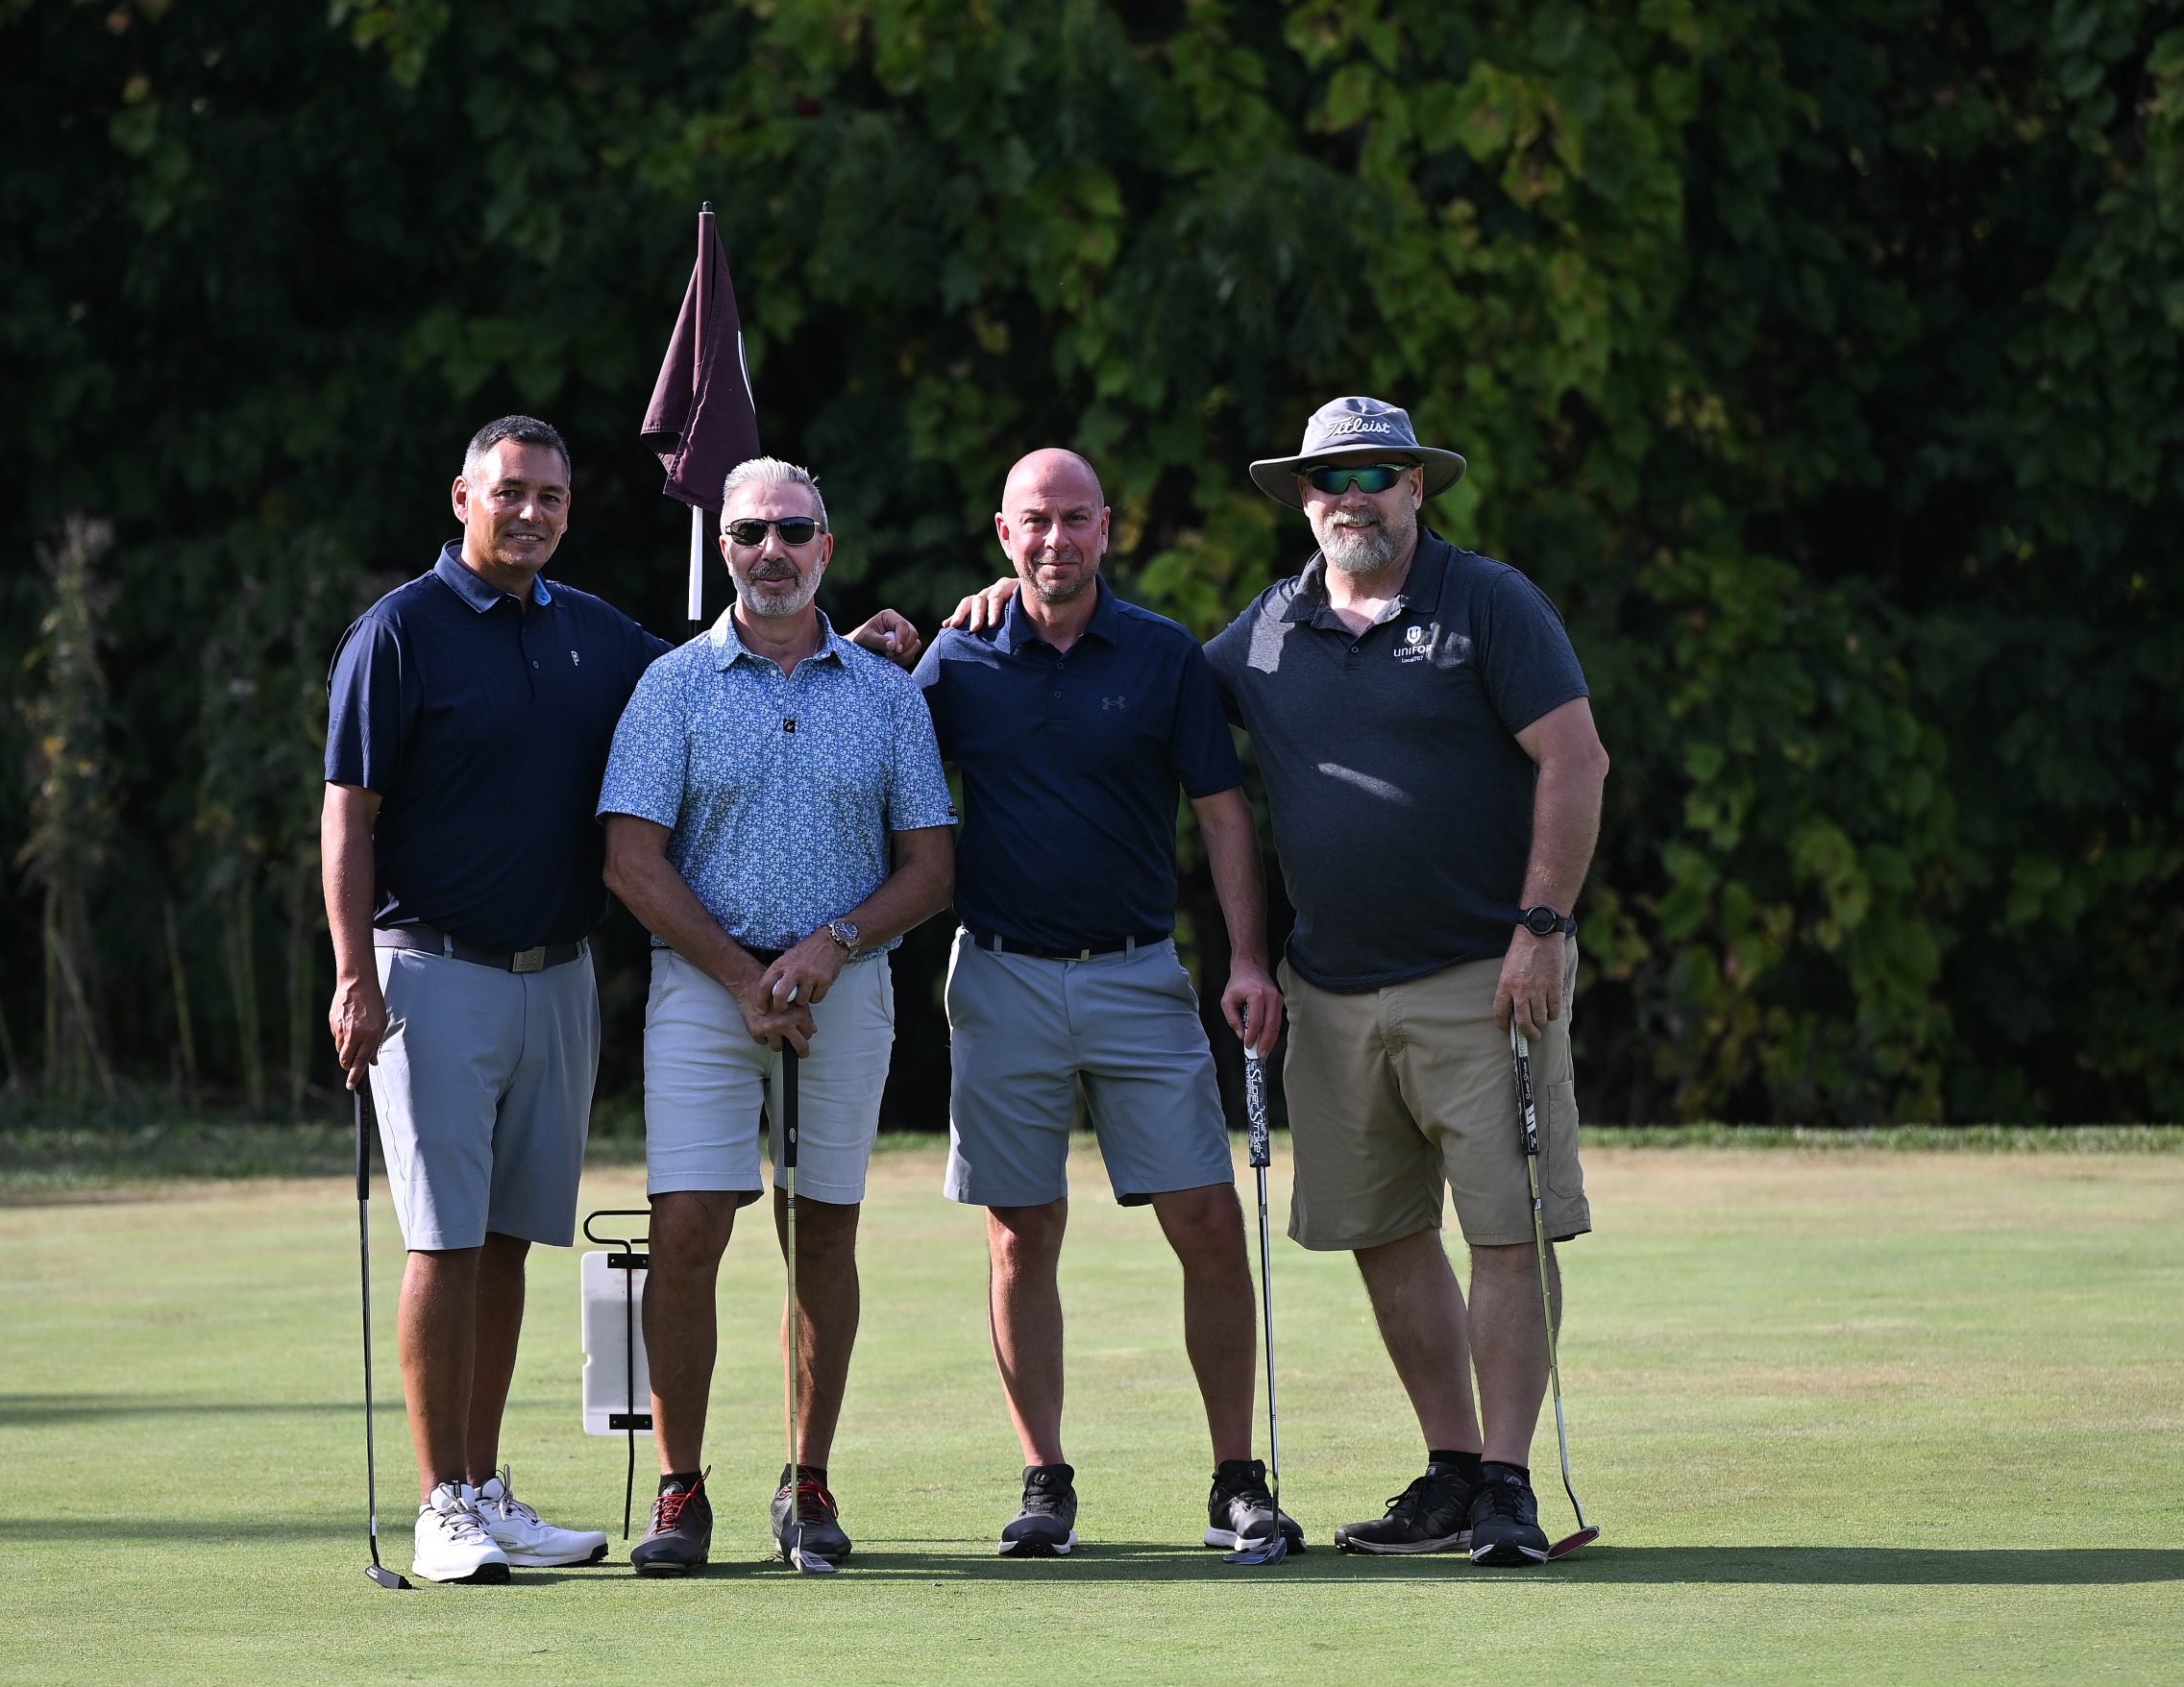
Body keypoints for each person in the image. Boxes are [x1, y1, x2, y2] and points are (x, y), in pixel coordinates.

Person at [948, 396, 1609, 1566]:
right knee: (1384, 1232)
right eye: (1328, 479)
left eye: (1375, 474)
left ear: (1415, 485)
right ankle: (1454, 1469)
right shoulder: (1261, 632)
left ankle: (1509, 1484)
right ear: (1301, 498)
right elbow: (1120, 674)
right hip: (1334, 988)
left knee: (1505, 1230)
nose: (1352, 496)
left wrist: (1544, 924)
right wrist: (990, 604)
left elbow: (1575, 756)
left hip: (1485, 972)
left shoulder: (1487, 601)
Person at [324, 418, 923, 1586]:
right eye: (511, 492)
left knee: (508, 1239)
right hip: (428, 968)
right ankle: (440, 1502)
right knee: (442, 1236)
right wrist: (352, 974)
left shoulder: (591, 633)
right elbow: (347, 811)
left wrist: (866, 641)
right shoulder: (399, 629)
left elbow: (750, 650)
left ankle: (483, 1487)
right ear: (462, 497)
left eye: (550, 495)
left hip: (554, 975)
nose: (531, 512)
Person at [912, 448, 1305, 1558]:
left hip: (1137, 972)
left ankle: (1236, 1477)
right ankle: (1043, 1479)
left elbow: (1222, 812)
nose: (1055, 538)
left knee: (1208, 1220)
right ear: (1004, 533)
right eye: (1035, 520)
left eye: (1074, 518)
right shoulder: (959, 656)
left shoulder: (1162, 653)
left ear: (1106, 528)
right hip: (1000, 973)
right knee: (1019, 1230)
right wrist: (890, 639)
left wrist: (1247, 958)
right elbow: (874, 764)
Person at [600, 455, 955, 1577]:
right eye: (750, 531)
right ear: (723, 549)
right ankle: (679, 1486)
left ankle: (808, 1477)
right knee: (686, 1226)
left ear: (826, 549)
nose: (772, 550)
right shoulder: (672, 685)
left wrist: (830, 945)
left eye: (794, 530)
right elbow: (629, 857)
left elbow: (930, 865)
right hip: (703, 992)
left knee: (823, 1230)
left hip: (844, 990)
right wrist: (743, 976)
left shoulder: (887, 691)